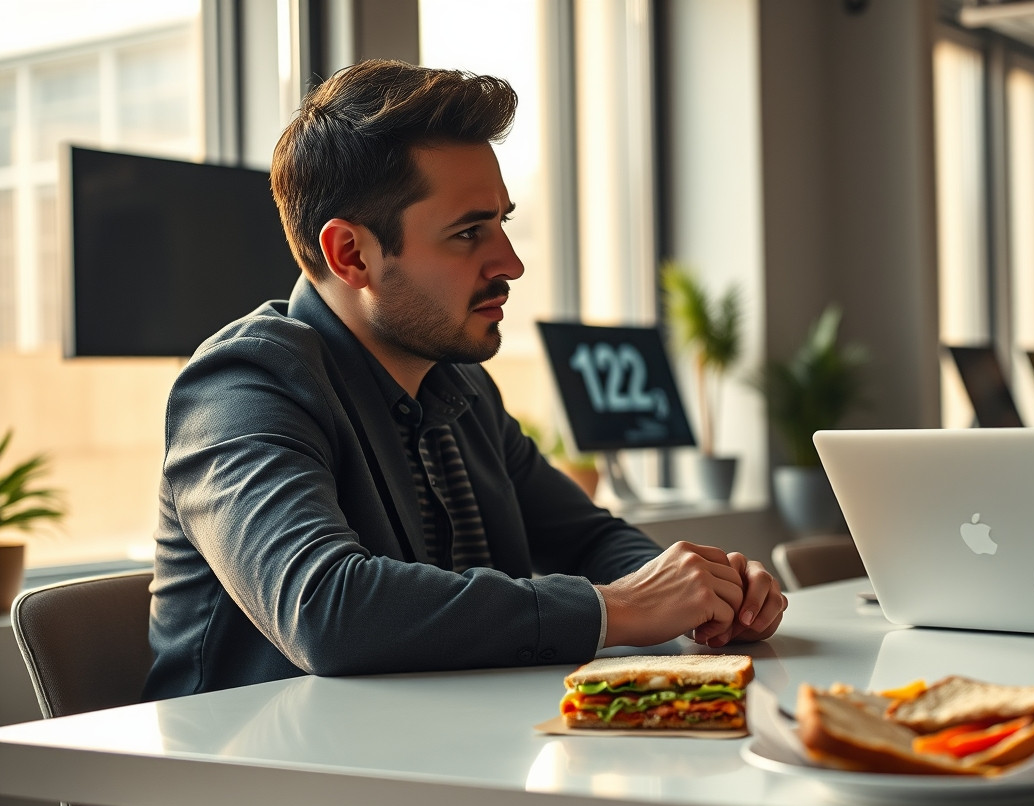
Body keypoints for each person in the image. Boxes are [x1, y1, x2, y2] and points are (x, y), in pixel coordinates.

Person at [137, 59, 785, 715]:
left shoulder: (462, 390)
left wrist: (703, 592)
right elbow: (326, 608)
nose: (511, 262)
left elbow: (589, 540)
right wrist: (620, 607)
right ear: (351, 255)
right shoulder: (244, 384)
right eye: (469, 232)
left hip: (422, 766)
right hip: (250, 797)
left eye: (503, 222)